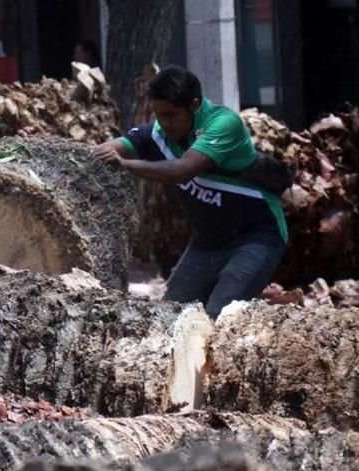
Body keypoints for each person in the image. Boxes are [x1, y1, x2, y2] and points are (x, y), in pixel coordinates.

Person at [92, 65, 288, 319]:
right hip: (207, 242)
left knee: (221, 318)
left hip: (255, 237)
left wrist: (126, 164)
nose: (164, 124)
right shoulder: (156, 133)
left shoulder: (223, 123)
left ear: (194, 105)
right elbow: (105, 151)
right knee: (171, 319)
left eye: (172, 115)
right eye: (159, 115)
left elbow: (182, 169)